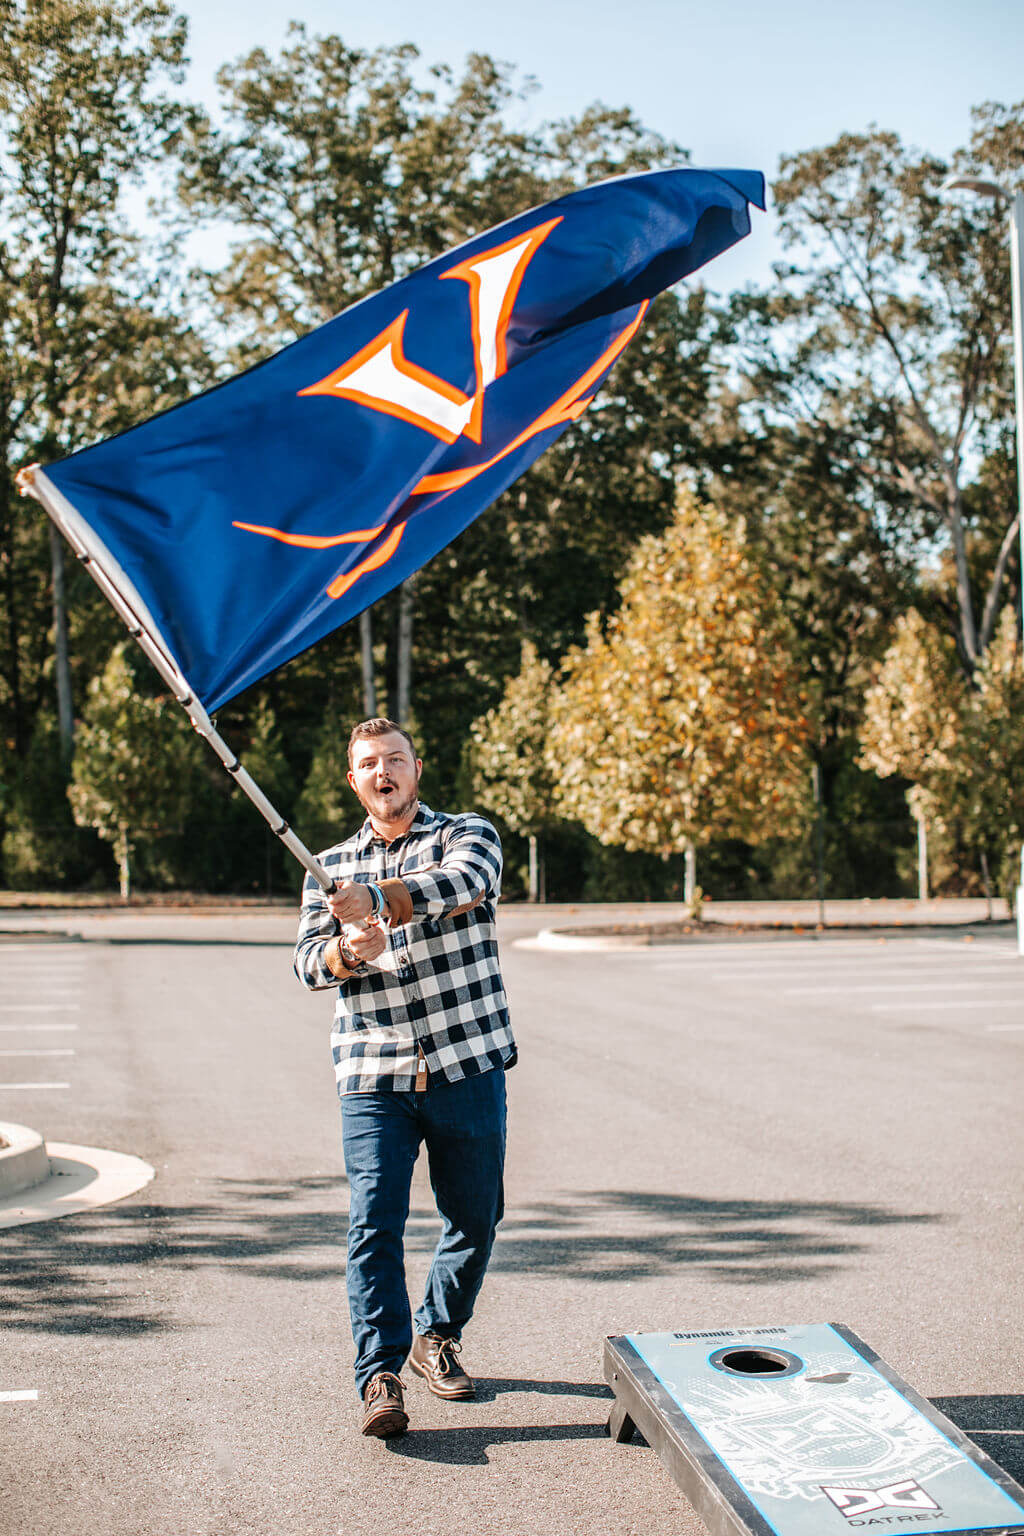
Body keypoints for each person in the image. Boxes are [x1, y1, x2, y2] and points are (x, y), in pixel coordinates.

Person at [293, 717, 516, 1438]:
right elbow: (306, 964)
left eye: (395, 760)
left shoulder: (466, 834)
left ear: (417, 769)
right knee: (373, 1224)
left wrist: (380, 900)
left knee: (474, 1219)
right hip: (374, 1071)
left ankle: (437, 1334)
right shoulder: (324, 868)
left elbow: (468, 883)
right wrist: (348, 952)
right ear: (353, 779)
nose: (383, 772)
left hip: (466, 1062)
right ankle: (379, 1374)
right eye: (368, 764)